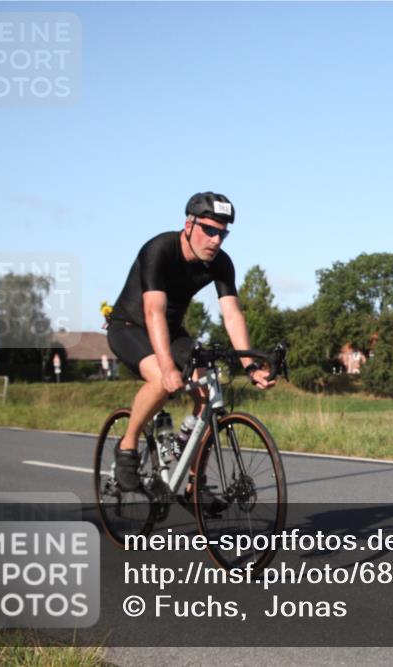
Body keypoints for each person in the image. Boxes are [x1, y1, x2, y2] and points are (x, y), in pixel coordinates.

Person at [106, 192, 275, 497]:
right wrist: (169, 367)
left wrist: (250, 365)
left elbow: (232, 316)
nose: (216, 240)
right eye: (209, 230)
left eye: (222, 234)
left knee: (208, 389)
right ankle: (127, 445)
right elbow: (153, 311)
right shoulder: (159, 249)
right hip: (130, 327)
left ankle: (193, 483)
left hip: (171, 332)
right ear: (189, 224)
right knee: (160, 379)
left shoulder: (220, 263)